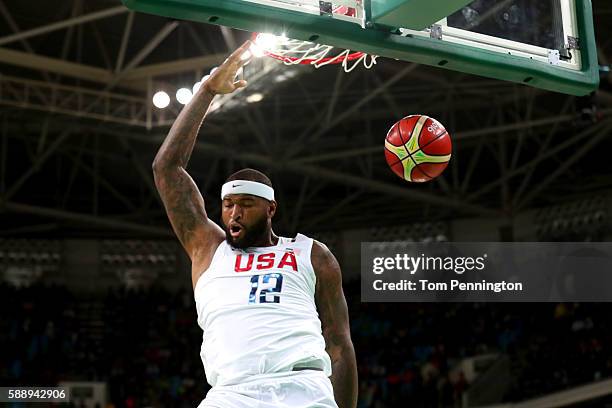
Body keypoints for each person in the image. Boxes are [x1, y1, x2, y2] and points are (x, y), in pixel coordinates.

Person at [152, 40, 358, 408]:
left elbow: (339, 345)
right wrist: (208, 91)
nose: (234, 213)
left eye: (246, 205)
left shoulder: (311, 254)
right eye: (228, 204)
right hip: (231, 394)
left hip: (303, 390)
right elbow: (167, 169)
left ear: (271, 209)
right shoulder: (207, 248)